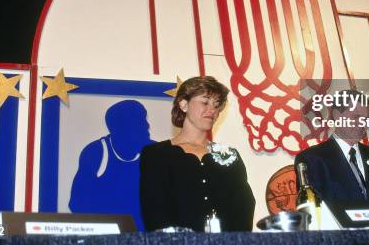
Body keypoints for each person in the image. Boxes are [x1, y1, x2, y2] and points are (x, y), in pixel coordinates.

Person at [139, 76, 255, 232]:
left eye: (217, 105)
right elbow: (154, 211)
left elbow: (244, 206)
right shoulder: (156, 155)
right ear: (184, 104)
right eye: (205, 102)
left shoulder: (229, 155)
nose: (212, 110)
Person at [295, 90, 369, 204]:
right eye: (356, 117)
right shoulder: (311, 159)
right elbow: (314, 209)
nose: (363, 124)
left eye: (366, 119)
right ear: (337, 116)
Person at [69, 100, 154, 231]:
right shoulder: (97, 153)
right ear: (121, 127)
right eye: (140, 121)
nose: (147, 125)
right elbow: (78, 204)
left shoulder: (155, 152)